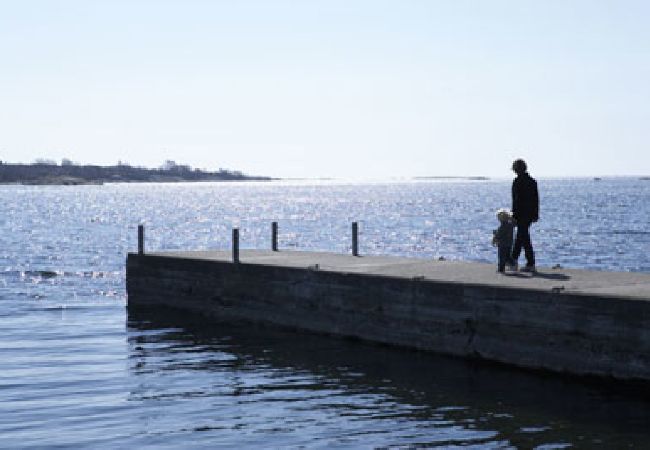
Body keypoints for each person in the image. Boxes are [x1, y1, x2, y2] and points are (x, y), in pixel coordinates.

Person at [510, 159, 539, 272]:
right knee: (521, 236)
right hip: (530, 213)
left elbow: (516, 200)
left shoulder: (517, 182)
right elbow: (536, 199)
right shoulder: (532, 181)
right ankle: (514, 260)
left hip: (521, 213)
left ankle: (524, 262)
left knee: (523, 237)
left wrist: (514, 215)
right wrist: (535, 214)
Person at [492, 208, 515, 273]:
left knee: (501, 257)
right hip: (509, 244)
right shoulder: (511, 225)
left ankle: (501, 269)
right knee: (507, 256)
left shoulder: (503, 226)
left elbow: (499, 235)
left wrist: (494, 236)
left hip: (502, 244)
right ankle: (512, 263)